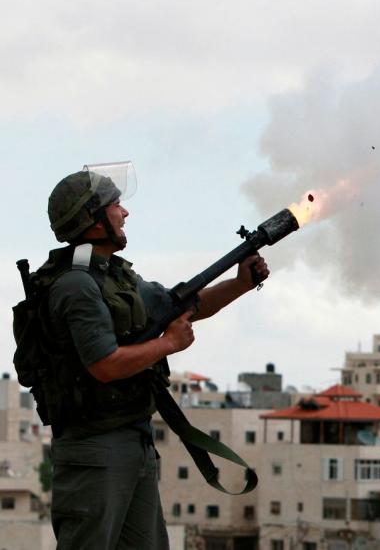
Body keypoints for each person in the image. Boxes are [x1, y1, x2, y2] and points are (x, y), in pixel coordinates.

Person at [40, 167, 268, 549]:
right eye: (114, 205)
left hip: (132, 440)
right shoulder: (76, 285)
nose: (124, 212)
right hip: (95, 450)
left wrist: (242, 283)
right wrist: (168, 345)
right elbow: (104, 364)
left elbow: (183, 306)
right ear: (92, 220)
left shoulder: (114, 277)